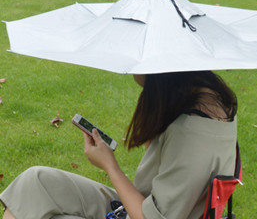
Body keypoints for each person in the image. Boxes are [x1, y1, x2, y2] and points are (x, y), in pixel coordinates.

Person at [0, 71, 237, 219]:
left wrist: (110, 166)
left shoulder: (188, 135)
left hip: (139, 212)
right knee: (37, 182)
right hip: (136, 206)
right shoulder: (214, 102)